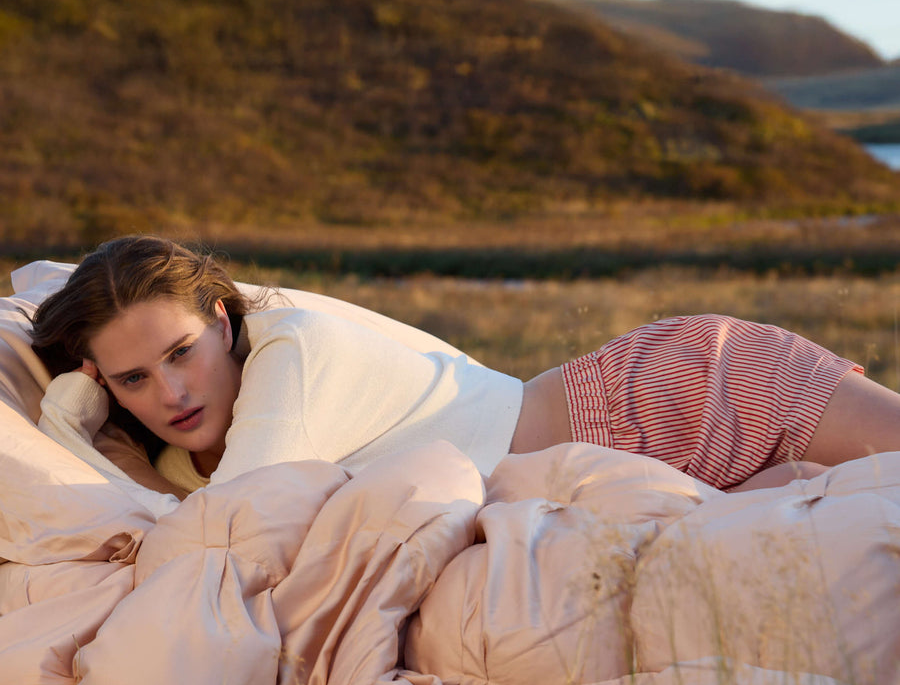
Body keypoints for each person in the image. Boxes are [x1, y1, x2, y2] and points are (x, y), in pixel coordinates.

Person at [27, 235, 900, 501]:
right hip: (617, 486)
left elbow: (231, 535)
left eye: (181, 353)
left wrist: (72, 418)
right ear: (103, 378)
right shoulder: (183, 460)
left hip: (674, 396)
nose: (172, 392)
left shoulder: (292, 349)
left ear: (223, 318)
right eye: (134, 379)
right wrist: (83, 403)